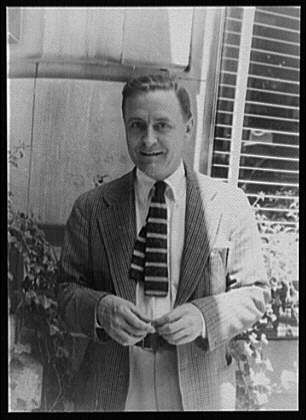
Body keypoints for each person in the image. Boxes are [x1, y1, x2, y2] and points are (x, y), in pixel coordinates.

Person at [58, 73, 270, 411]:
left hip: (199, 388)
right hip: (115, 386)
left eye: (162, 125)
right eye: (137, 125)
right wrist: (100, 309)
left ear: (187, 127)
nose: (148, 139)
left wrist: (204, 318)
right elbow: (66, 292)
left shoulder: (228, 204)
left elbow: (255, 293)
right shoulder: (93, 208)